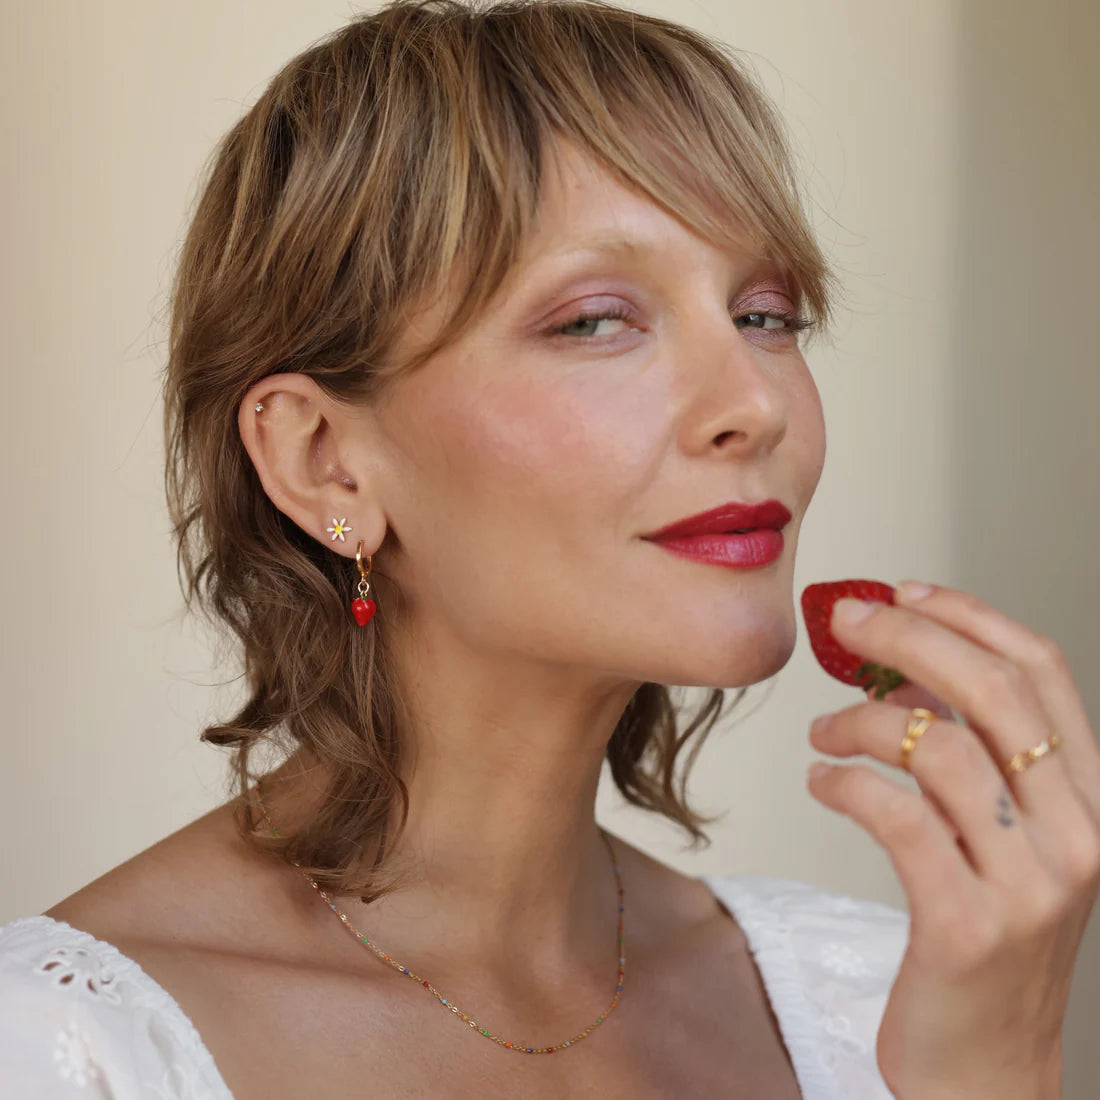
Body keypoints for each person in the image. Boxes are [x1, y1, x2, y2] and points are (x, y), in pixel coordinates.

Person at [3, 1, 1097, 1097]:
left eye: (765, 312)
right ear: (324, 459)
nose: (753, 403)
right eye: (594, 319)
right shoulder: (70, 1049)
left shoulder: (873, 1002)